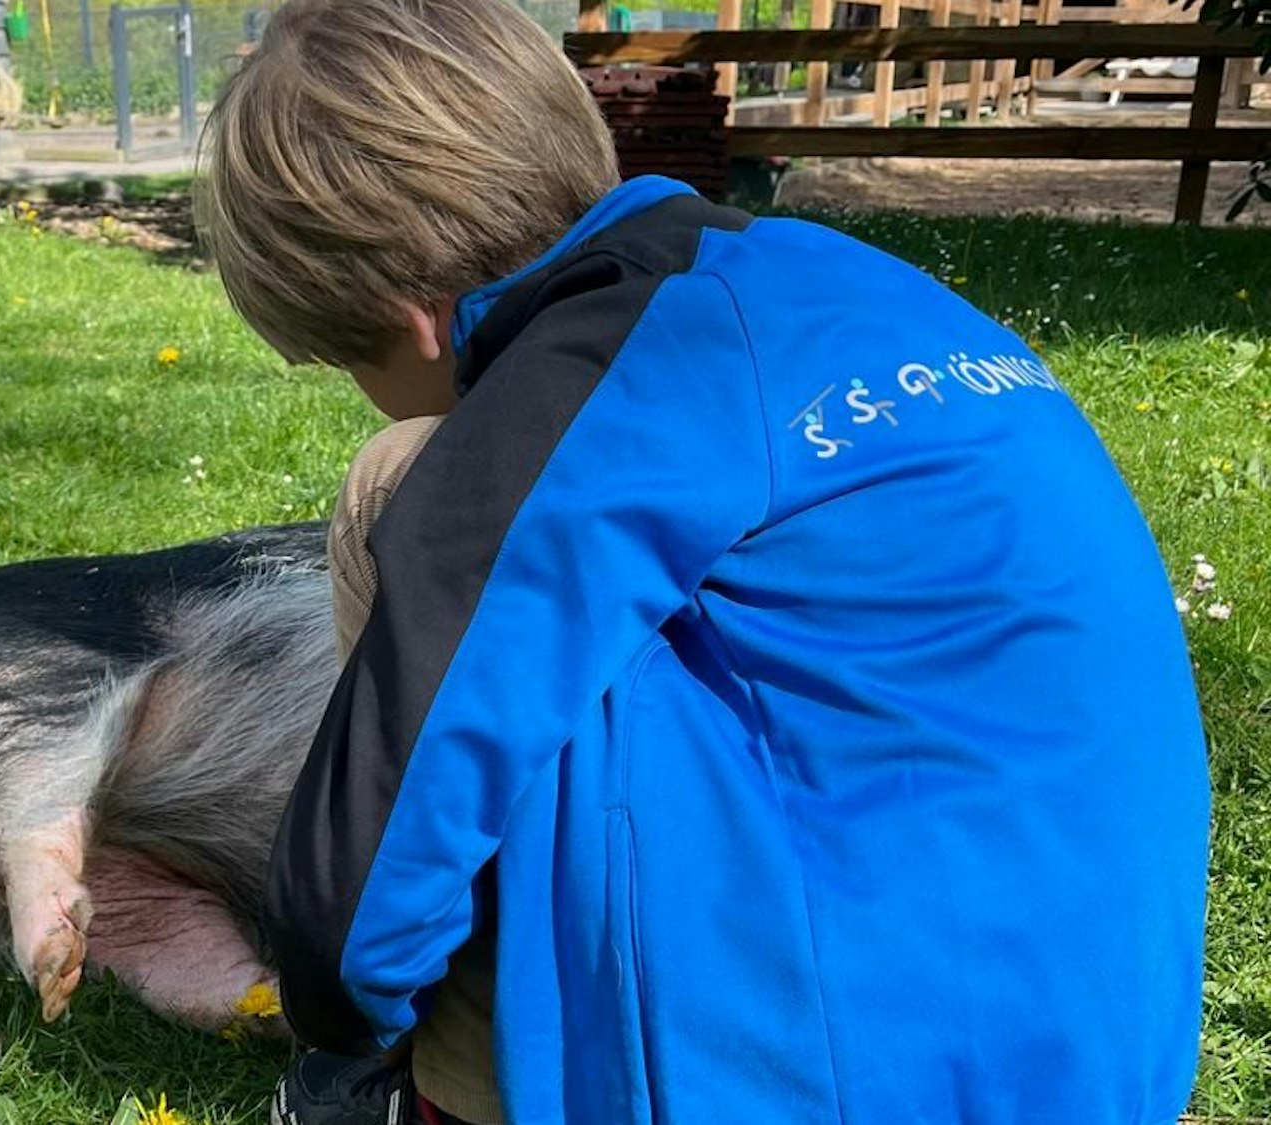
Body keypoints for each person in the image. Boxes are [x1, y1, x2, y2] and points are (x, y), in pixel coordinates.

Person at [193, 0, 1213, 1123]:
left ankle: (444, 1097)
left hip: (848, 1080)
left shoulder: (580, 380)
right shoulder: (819, 280)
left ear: (412, 320)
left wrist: (336, 1024)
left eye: (343, 357)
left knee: (402, 494)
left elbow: (367, 866)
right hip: (1095, 1051)